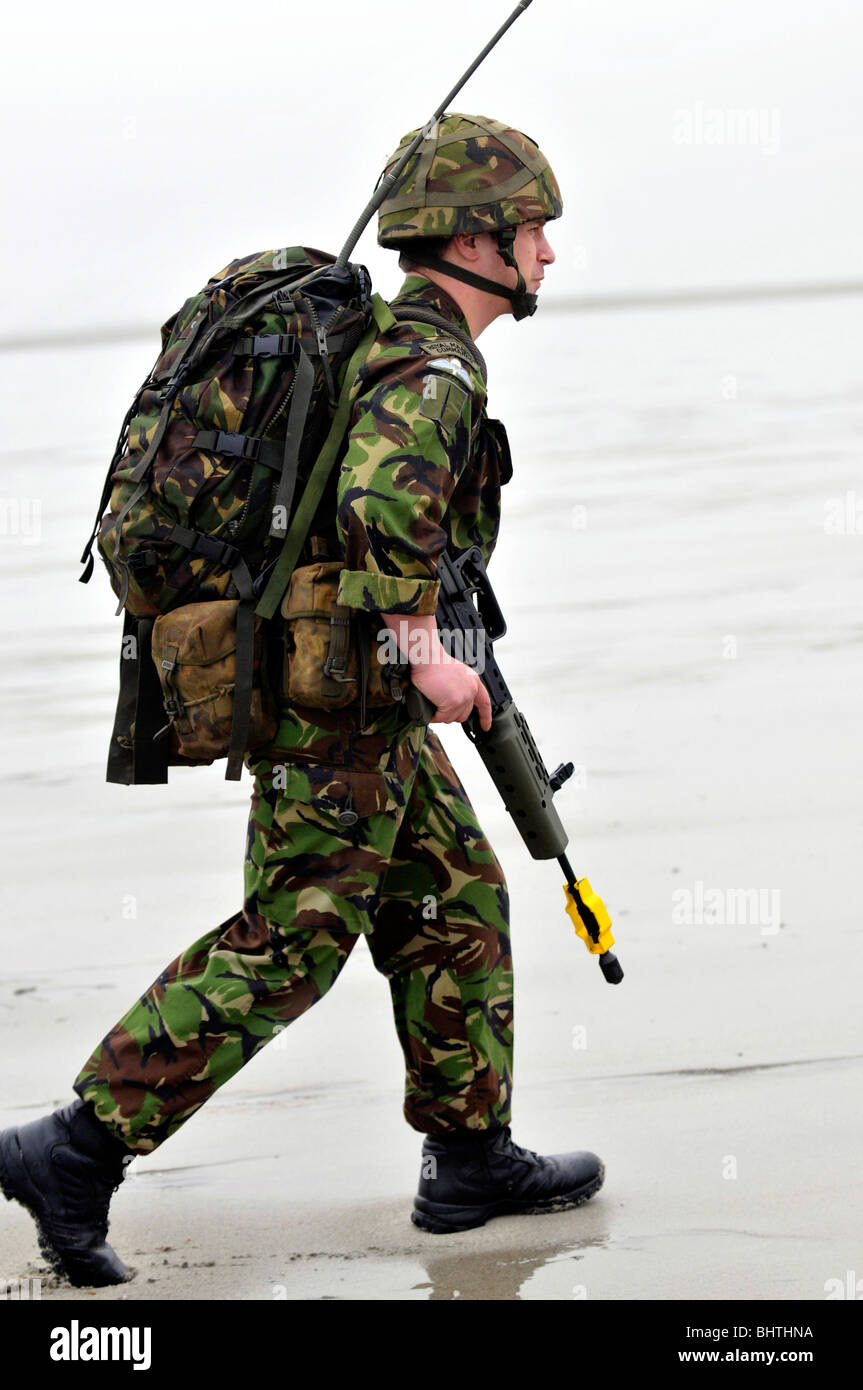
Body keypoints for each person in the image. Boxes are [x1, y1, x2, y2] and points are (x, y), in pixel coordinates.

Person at [0, 113, 604, 1288]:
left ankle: (469, 1155)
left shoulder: (396, 341)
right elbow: (384, 513)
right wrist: (427, 652)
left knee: (451, 891)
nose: (546, 254)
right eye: (534, 229)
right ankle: (76, 1149)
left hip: (338, 688)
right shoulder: (431, 364)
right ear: (475, 238)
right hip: (342, 697)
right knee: (292, 937)